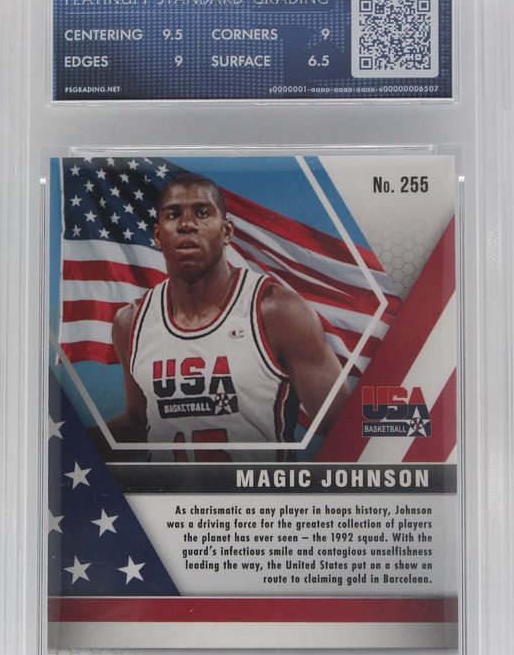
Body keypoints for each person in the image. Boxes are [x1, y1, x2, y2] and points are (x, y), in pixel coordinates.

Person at [106, 173, 349, 461]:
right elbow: (138, 424)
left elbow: (345, 428)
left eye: (202, 213)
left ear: (227, 231)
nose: (186, 224)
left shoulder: (277, 312)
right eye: (173, 214)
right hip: (168, 492)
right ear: (158, 235)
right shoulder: (131, 322)